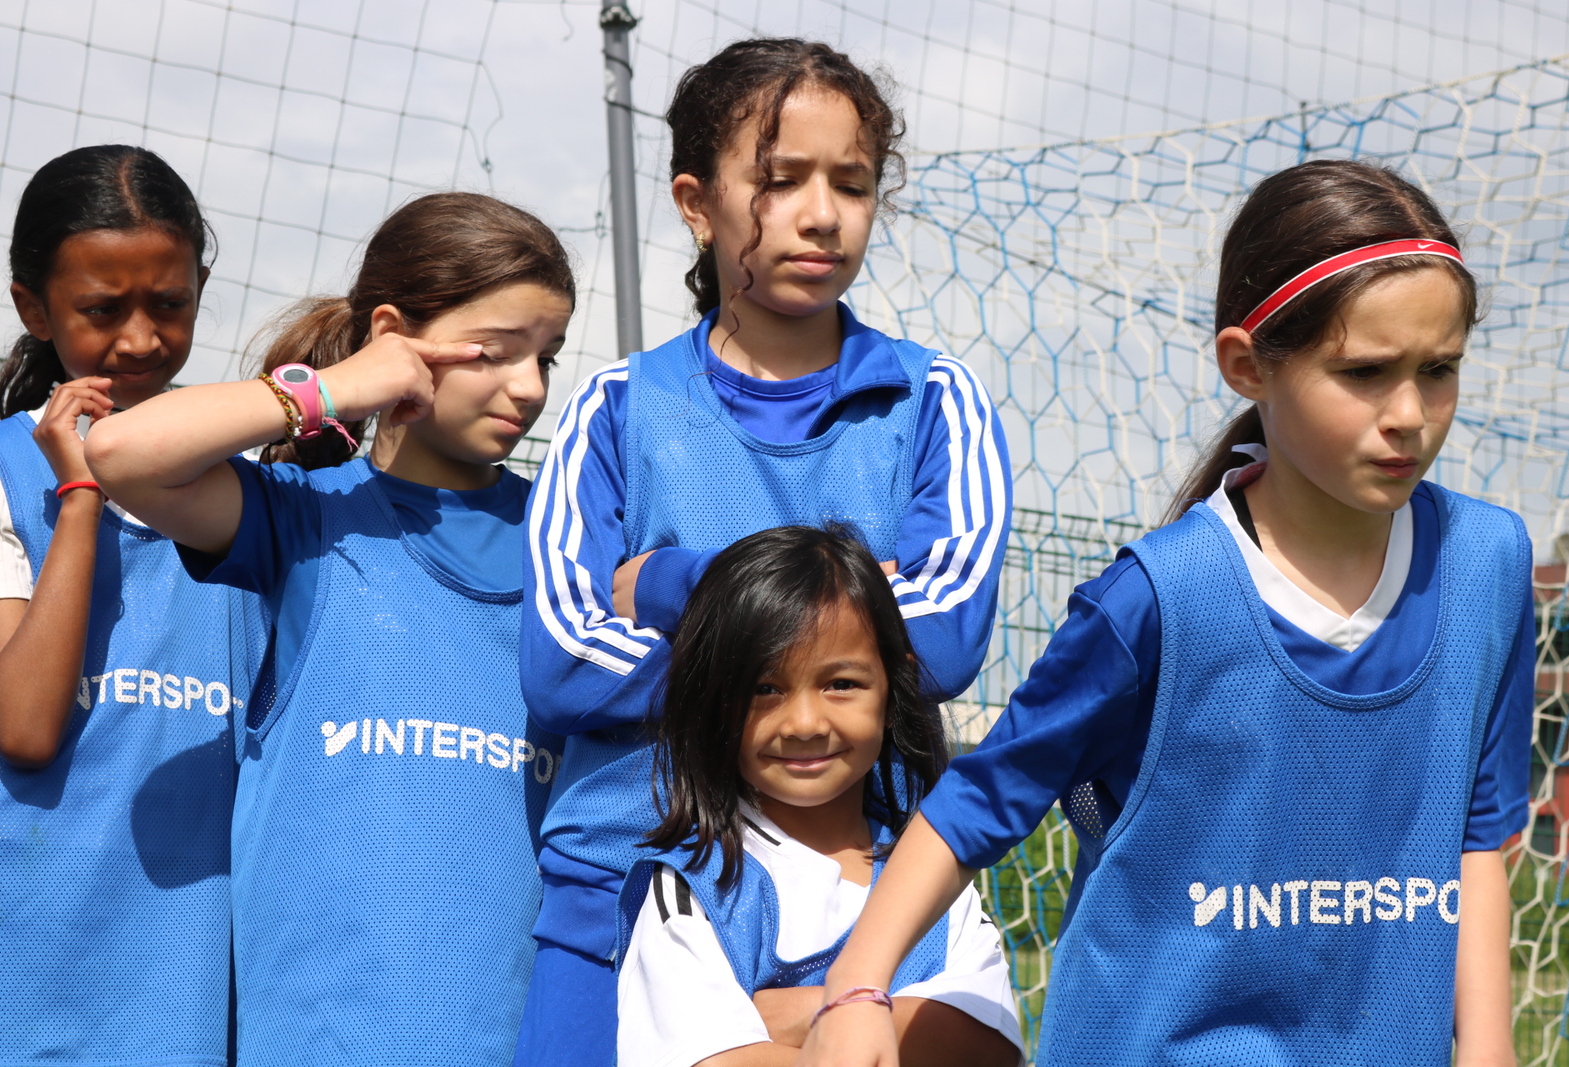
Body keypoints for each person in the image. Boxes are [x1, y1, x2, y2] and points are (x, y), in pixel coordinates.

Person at [799, 160, 1532, 1067]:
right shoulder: (1158, 597)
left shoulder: (1488, 563)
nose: (1410, 414)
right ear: (1247, 365)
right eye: (1366, 371)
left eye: (1440, 369)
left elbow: (1475, 829)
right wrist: (857, 986)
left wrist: (1489, 1046)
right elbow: (984, 797)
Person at [518, 38, 1011, 1065]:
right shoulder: (617, 408)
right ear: (697, 203)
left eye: (852, 183)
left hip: (870, 895)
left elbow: (942, 642)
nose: (821, 214)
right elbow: (562, 662)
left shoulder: (933, 401)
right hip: (620, 880)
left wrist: (668, 581)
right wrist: (839, 623)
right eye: (780, 180)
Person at [86, 192, 572, 1066]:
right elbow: (122, 453)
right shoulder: (306, 519)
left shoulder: (565, 544)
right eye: (495, 352)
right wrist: (341, 388)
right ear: (392, 333)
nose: (530, 385)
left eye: (547, 356)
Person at [0, 144, 267, 1063]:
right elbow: (24, 725)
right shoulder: (9, 473)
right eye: (103, 310)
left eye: (170, 303)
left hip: (200, 983)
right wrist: (80, 495)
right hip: (35, 974)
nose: (142, 338)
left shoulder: (249, 487)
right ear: (34, 308)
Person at [615, 525, 1020, 1067]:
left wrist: (803, 1014)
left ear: (892, 688)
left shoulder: (929, 868)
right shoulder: (696, 882)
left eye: (841, 684)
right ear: (713, 701)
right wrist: (886, 1022)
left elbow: (984, 1044)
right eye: (765, 689)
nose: (804, 723)